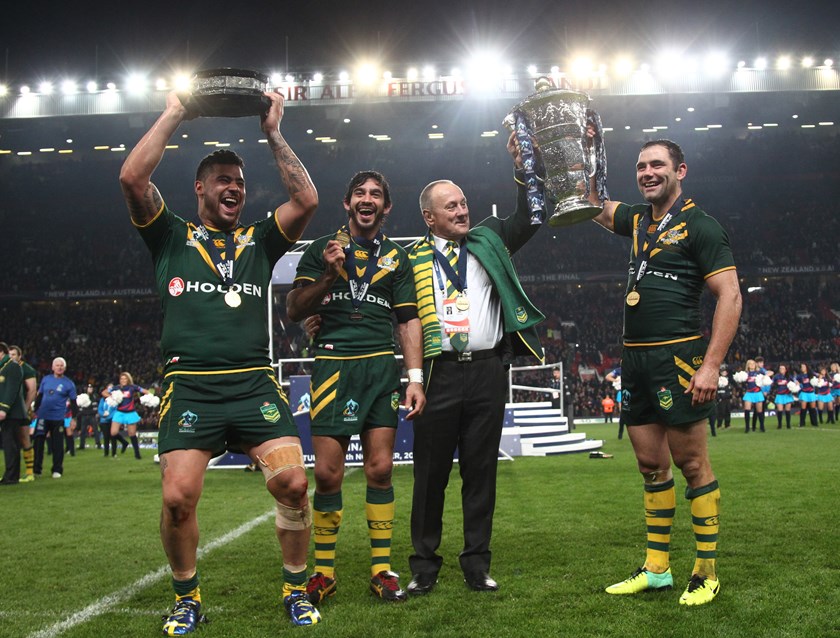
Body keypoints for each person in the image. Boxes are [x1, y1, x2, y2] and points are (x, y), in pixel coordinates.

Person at [119, 89, 322, 631]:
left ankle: (295, 589)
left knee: (294, 484)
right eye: (223, 180)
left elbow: (306, 200)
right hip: (191, 387)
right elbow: (132, 179)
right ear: (200, 188)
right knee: (177, 498)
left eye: (240, 182)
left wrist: (273, 132)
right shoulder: (170, 237)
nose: (234, 188)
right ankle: (187, 598)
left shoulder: (260, 240)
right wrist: (175, 112)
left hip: (253, 385)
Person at [590, 139, 742, 606]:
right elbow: (591, 204)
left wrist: (711, 365)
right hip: (634, 360)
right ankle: (657, 569)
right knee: (650, 466)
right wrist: (584, 154)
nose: (647, 173)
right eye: (641, 166)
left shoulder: (701, 226)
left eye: (657, 164)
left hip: (677, 359)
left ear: (681, 171)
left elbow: (731, 295)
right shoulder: (638, 219)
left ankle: (706, 572)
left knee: (691, 465)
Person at [405, 132, 545, 596]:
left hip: (487, 371)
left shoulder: (489, 238)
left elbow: (531, 217)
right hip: (438, 374)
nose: (462, 211)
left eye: (463, 203)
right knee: (430, 476)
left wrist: (524, 168)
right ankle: (424, 566)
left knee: (481, 472)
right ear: (429, 217)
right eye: (451, 206)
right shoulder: (410, 259)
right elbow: (393, 310)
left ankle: (477, 565)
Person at [286, 170, 426, 606]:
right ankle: (324, 574)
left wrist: (415, 378)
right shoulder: (320, 249)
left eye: (376, 194)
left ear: (386, 207)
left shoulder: (397, 258)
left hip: (380, 368)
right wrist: (329, 277)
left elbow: (408, 321)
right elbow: (294, 309)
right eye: (360, 193)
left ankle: (381, 570)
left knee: (380, 470)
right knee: (327, 475)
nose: (368, 199)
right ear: (347, 203)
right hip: (333, 367)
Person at [33, 357, 78, 479]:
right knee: (38, 442)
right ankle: (36, 469)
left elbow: (74, 403)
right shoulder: (46, 379)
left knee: (57, 445)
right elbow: (39, 396)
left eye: (61, 365)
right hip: (43, 416)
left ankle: (57, 470)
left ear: (65, 368)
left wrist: (74, 418)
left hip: (58, 418)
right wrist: (34, 411)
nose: (59, 367)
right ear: (52, 367)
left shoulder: (69, 383)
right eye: (57, 365)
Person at [8, 345, 37, 481]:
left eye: (13, 354)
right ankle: (12, 472)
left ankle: (30, 472)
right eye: (9, 355)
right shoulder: (5, 368)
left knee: (24, 438)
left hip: (20, 410)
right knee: (9, 441)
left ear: (19, 356)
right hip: (8, 410)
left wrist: (25, 408)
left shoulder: (26, 369)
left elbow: (32, 390)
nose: (11, 357)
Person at [1, 342, 28, 485]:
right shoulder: (5, 366)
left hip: (11, 413)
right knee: (10, 444)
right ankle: (11, 475)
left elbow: (11, 390)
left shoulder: (12, 366)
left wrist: (4, 409)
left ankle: (11, 476)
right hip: (8, 412)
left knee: (10, 444)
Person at [108, 372, 147, 459]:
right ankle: (122, 444)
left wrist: (148, 397)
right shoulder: (116, 388)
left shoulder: (132, 387)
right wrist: (111, 397)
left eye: (125, 378)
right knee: (113, 432)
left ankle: (137, 454)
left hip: (130, 413)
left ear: (128, 379)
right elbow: (104, 392)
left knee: (132, 434)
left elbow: (144, 391)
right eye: (121, 379)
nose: (123, 380)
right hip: (119, 412)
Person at [741, 358, 770, 433]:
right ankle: (747, 428)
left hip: (758, 393)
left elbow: (770, 373)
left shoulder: (759, 372)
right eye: (750, 364)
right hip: (749, 393)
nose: (752, 365)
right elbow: (741, 381)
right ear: (748, 365)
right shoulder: (745, 374)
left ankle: (762, 427)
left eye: (753, 363)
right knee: (747, 410)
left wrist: (765, 376)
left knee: (759, 411)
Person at [76, 383, 101, 451]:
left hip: (92, 416)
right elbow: (80, 406)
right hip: (84, 416)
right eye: (89, 388)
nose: (90, 389)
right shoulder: (83, 396)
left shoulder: (94, 396)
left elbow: (95, 407)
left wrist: (87, 410)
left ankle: (98, 444)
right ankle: (82, 445)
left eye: (91, 388)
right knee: (83, 431)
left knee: (95, 430)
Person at [770, 363, 794, 429]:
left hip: (787, 395)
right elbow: (772, 384)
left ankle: (788, 425)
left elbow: (793, 384)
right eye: (780, 368)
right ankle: (779, 425)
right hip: (779, 395)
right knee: (779, 410)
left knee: (787, 410)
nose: (781, 370)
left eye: (783, 368)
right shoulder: (776, 376)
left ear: (786, 370)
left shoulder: (789, 377)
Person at [710, 367, 733, 434]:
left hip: (727, 398)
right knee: (721, 412)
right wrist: (718, 398)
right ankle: (719, 425)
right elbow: (716, 390)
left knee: (728, 411)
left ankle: (727, 425)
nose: (724, 373)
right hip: (721, 399)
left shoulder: (729, 380)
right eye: (723, 371)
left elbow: (730, 389)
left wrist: (730, 396)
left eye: (725, 371)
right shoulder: (718, 380)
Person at [795, 363, 818, 427]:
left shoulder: (811, 374)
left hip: (811, 393)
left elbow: (818, 376)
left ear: (806, 367)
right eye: (801, 367)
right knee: (803, 408)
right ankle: (802, 423)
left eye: (803, 367)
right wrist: (797, 383)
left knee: (813, 408)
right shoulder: (799, 376)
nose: (802, 368)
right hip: (804, 393)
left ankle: (814, 423)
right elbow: (796, 382)